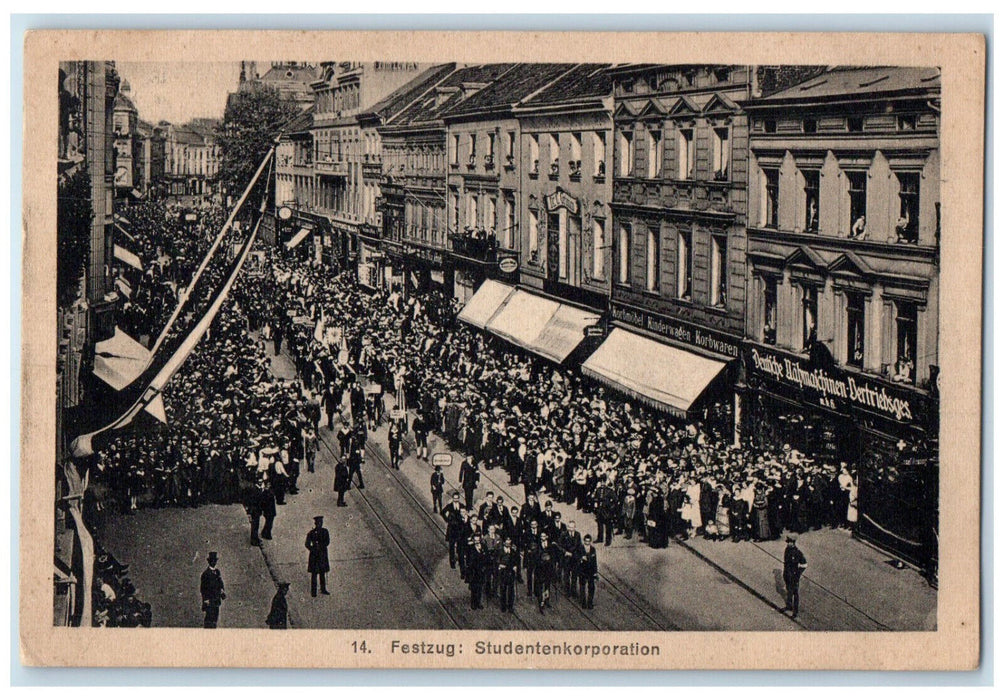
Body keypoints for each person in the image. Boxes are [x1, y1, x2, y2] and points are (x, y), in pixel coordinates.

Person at [783, 534, 808, 618]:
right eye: (787, 542)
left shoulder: (798, 553)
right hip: (787, 574)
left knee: (795, 593)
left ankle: (795, 611)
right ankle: (789, 606)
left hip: (794, 576)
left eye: (789, 542)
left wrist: (797, 574)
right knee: (789, 590)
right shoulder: (787, 550)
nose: (788, 544)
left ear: (793, 543)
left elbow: (804, 564)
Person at [305, 515, 331, 597]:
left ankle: (323, 589)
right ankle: (313, 591)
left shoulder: (325, 531)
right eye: (318, 523)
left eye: (321, 523)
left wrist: (321, 546)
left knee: (322, 573)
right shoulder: (311, 533)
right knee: (314, 574)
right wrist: (313, 549)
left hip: (322, 554)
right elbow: (307, 544)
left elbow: (327, 541)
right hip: (315, 556)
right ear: (316, 524)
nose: (320, 524)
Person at [200, 552, 226, 628]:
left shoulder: (217, 572)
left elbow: (220, 583)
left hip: (216, 600)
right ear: (209, 562)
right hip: (210, 601)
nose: (213, 562)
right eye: (212, 561)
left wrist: (222, 591)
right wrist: (205, 600)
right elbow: (203, 589)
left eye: (215, 561)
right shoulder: (205, 574)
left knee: (215, 618)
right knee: (209, 619)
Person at [441, 491, 465, 571]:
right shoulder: (449, 506)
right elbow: (442, 512)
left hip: (459, 529)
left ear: (459, 498)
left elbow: (465, 514)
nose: (456, 500)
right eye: (454, 499)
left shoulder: (462, 506)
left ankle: (460, 561)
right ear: (452, 499)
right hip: (452, 529)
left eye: (457, 498)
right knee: (451, 547)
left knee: (460, 546)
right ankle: (452, 562)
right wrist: (447, 520)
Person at [496, 537, 519, 613]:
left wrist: (515, 566)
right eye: (507, 543)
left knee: (511, 590)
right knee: (503, 589)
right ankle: (503, 606)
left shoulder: (513, 551)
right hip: (503, 572)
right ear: (504, 543)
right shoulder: (500, 551)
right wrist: (500, 565)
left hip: (510, 572)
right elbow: (497, 561)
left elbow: (515, 560)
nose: (508, 545)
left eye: (509, 543)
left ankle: (510, 606)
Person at [577, 534, 598, 609]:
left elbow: (595, 561)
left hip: (591, 571)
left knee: (591, 587)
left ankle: (590, 602)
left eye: (588, 541)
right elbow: (576, 558)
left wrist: (595, 572)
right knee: (582, 587)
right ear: (584, 541)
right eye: (586, 541)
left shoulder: (593, 549)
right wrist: (581, 559)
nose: (587, 543)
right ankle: (583, 603)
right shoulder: (580, 548)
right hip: (582, 571)